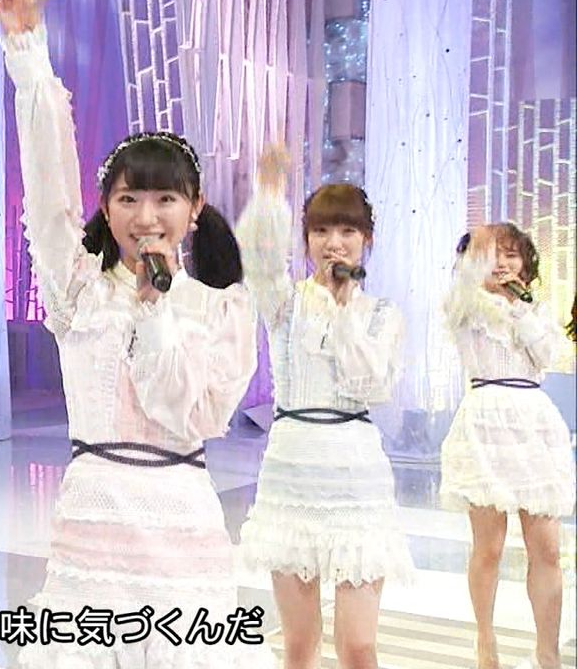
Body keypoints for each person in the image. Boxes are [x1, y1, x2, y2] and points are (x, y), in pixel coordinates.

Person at [0, 0, 272, 667]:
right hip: (92, 528)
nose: (146, 217)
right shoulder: (79, 288)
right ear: (107, 206)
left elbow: (196, 415)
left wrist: (158, 311)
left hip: (183, 531)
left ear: (194, 208)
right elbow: (47, 190)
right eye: (128, 199)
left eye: (165, 199)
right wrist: (28, 56)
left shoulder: (221, 308)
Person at [234, 147, 414, 669]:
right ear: (307, 239)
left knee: (358, 645)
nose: (334, 242)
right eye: (321, 231)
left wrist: (343, 309)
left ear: (366, 240)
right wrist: (270, 191)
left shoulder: (381, 314)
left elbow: (370, 384)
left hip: (356, 478)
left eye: (347, 231)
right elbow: (259, 257)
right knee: (299, 643)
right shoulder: (285, 301)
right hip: (290, 475)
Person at [440, 224, 572, 669]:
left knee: (547, 548)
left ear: (526, 264)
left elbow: (547, 354)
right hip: (484, 423)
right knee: (489, 548)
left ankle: (548, 652)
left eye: (511, 254)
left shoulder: (536, 311)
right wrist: (477, 258)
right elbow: (460, 293)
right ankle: (485, 640)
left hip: (534, 424)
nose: (501, 263)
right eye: (491, 254)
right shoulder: (464, 306)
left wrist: (519, 306)